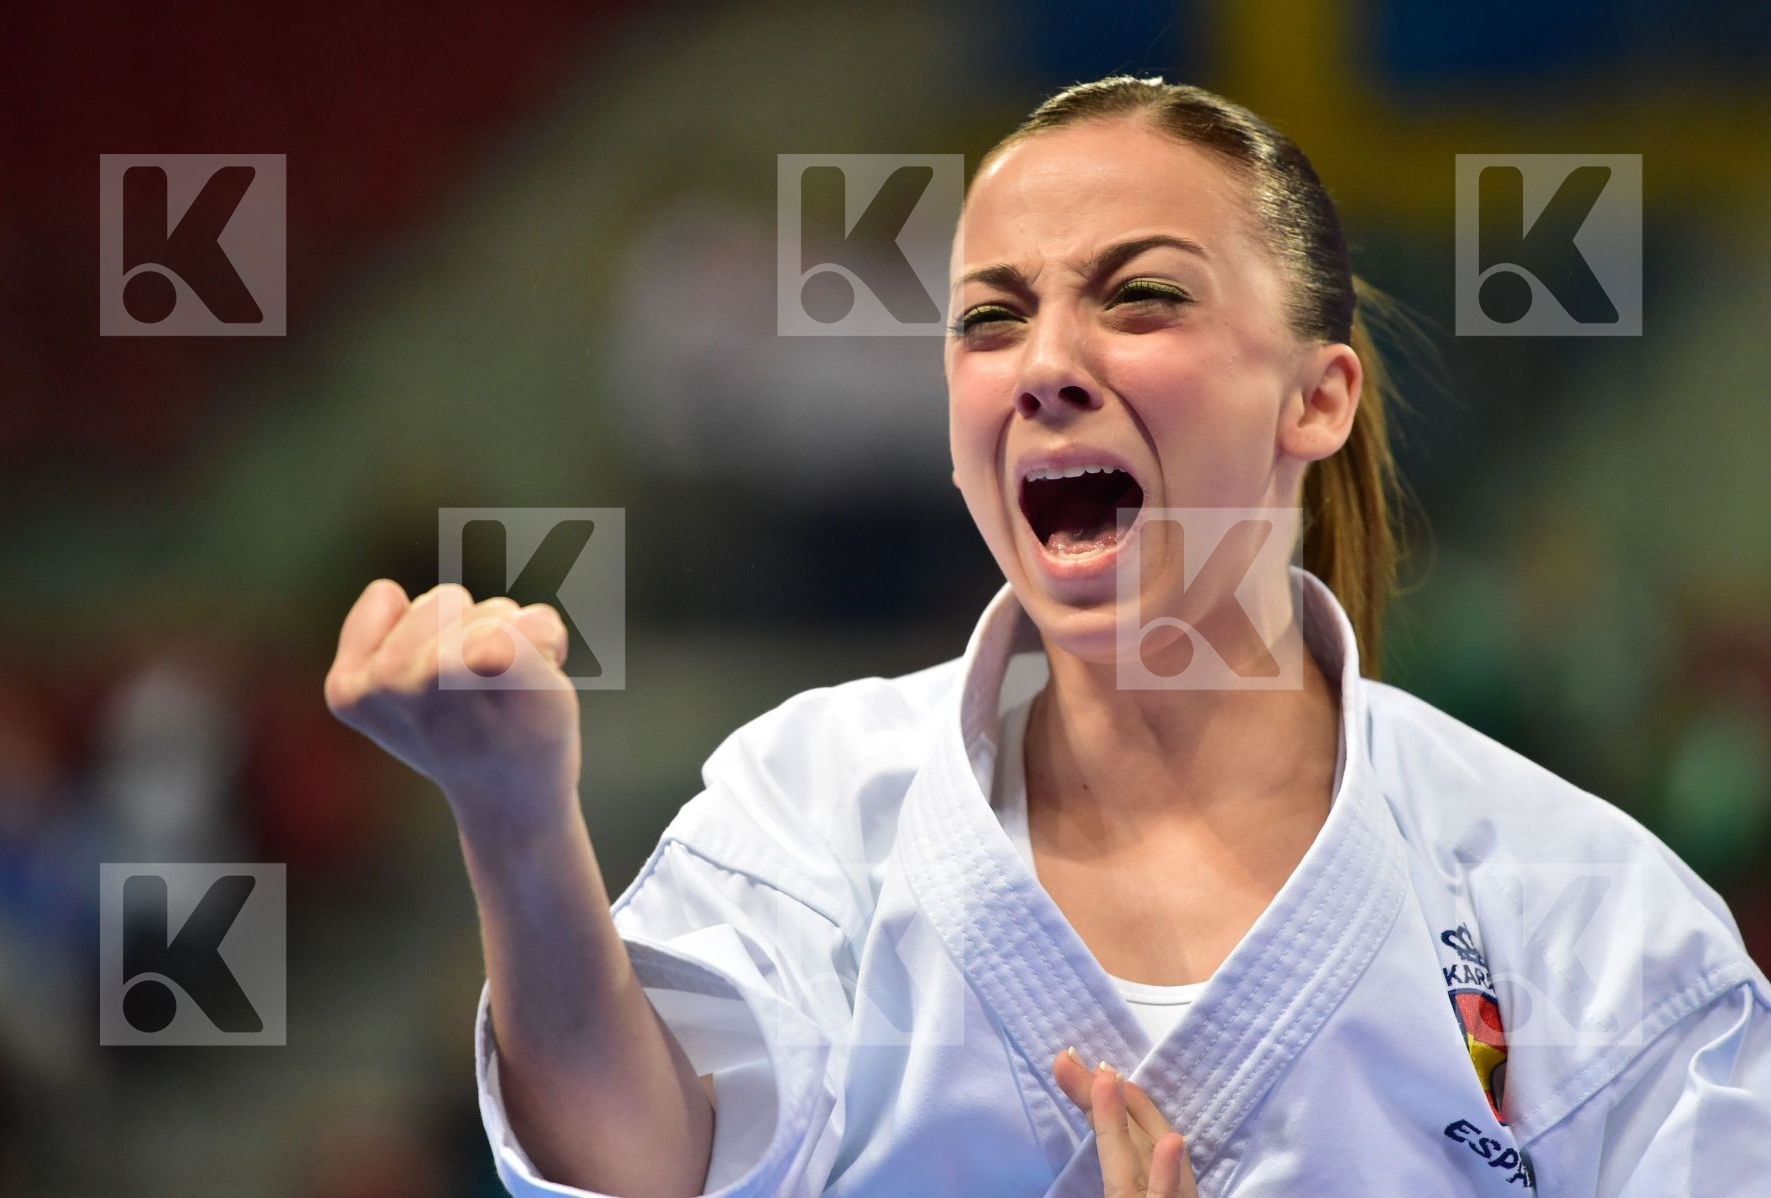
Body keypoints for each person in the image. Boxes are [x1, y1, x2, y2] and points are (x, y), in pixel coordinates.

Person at [324, 77, 1771, 1197]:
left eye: (1139, 297)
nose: (1047, 367)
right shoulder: (819, 806)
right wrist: (514, 817)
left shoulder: (1593, 923)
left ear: (1316, 400)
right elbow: (631, 1161)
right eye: (990, 319)